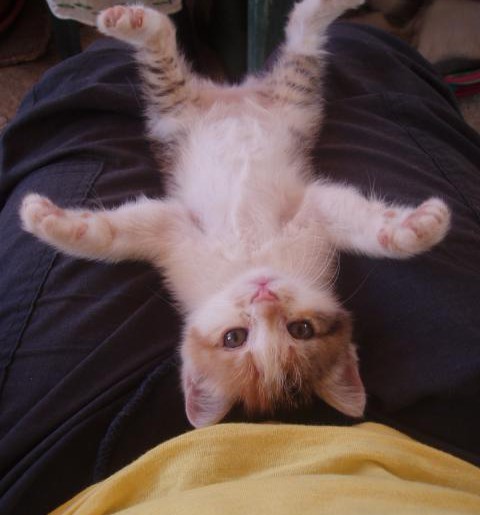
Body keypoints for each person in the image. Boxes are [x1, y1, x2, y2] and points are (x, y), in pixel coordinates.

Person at [0, 14, 479, 515]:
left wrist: (88, 234)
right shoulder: (307, 270)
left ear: (193, 374)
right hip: (278, 120)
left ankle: (165, 31)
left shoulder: (198, 284)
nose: (265, 305)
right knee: (357, 49)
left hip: (192, 124)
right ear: (347, 357)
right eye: (300, 328)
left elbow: (162, 226)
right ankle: (311, 26)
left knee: (105, 73)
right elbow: (319, 208)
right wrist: (385, 233)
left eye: (235, 337)